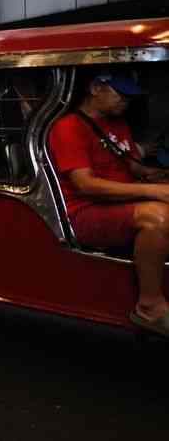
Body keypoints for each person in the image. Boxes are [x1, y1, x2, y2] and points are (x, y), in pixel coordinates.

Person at [48, 71, 169, 337]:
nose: (126, 100)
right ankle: (149, 306)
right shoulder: (68, 127)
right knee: (158, 216)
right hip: (84, 212)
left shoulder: (117, 124)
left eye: (129, 95)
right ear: (95, 88)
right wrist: (156, 191)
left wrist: (156, 176)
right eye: (120, 93)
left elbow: (134, 169)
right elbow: (86, 185)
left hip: (120, 203)